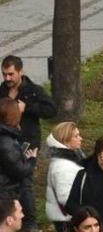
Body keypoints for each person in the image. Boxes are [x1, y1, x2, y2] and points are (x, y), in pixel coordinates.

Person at [1, 55, 55, 230]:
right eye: (4, 74)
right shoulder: (2, 90)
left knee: (26, 183)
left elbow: (51, 110)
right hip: (7, 141)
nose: (7, 78)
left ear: (20, 72)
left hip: (27, 143)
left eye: (10, 74)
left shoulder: (33, 90)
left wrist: (28, 109)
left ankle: (29, 222)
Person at [0, 98, 37, 227]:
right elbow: (19, 171)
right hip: (6, 193)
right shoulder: (6, 141)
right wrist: (31, 160)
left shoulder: (7, 137)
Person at [45, 122, 85, 232]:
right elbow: (65, 197)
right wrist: (84, 213)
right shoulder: (63, 164)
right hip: (67, 218)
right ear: (65, 139)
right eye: (76, 136)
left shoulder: (74, 156)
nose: (80, 138)